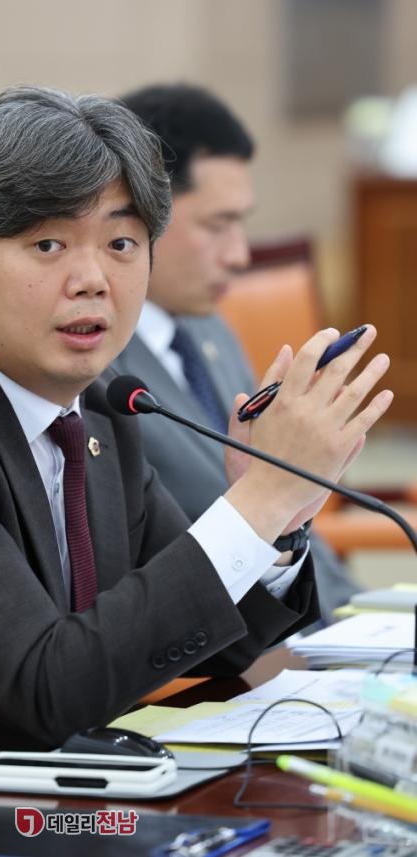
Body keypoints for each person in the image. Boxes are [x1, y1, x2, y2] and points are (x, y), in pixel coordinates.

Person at [0, 86, 391, 856]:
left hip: (35, 804)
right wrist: (258, 498)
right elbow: (50, 685)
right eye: (49, 245)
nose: (93, 279)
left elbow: (219, 638)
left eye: (120, 243)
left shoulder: (100, 404)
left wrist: (279, 520)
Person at [114, 83, 362, 623]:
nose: (240, 255)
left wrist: (360, 614)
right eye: (217, 224)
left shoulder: (209, 329)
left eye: (240, 222)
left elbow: (291, 513)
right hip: (218, 641)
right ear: (138, 216)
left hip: (316, 616)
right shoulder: (95, 369)